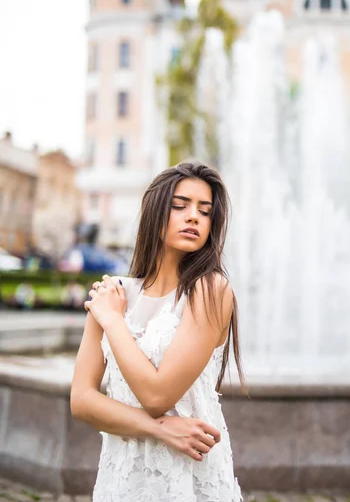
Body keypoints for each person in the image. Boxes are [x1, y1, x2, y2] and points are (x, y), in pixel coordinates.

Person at [70, 161, 246, 501]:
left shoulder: (210, 289)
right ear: (154, 212)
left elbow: (157, 396)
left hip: (185, 477)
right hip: (121, 477)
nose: (193, 216)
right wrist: (158, 428)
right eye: (180, 206)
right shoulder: (113, 295)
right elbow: (81, 400)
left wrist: (114, 322)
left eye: (205, 211)